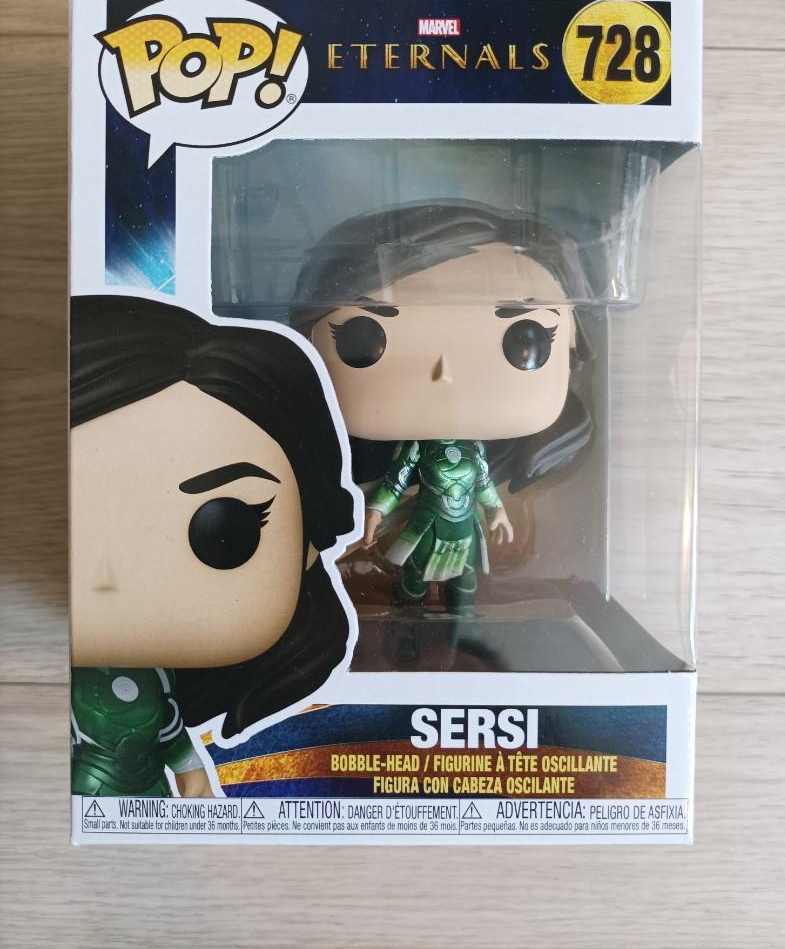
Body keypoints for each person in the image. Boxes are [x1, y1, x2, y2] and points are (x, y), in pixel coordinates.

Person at [70, 294, 357, 796]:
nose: (108, 579)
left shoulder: (158, 684)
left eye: (225, 532)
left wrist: (192, 774)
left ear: (309, 544)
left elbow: (171, 733)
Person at [291, 200, 592, 615]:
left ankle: (456, 615)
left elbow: (484, 484)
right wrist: (376, 513)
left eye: (526, 339)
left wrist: (498, 514)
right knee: (414, 577)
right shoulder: (406, 452)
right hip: (424, 526)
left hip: (462, 528)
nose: (444, 371)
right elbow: (396, 481)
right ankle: (414, 607)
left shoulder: (482, 455)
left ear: (574, 340)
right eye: (363, 338)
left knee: (463, 581)